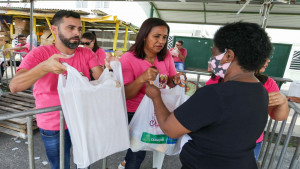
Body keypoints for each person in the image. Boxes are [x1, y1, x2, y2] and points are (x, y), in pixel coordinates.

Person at [145, 22, 273, 169]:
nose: (211, 59)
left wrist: (156, 97)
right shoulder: (259, 90)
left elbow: (170, 129)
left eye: (213, 53)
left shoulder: (216, 94)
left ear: (228, 56)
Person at [9, 10, 108, 169]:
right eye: (71, 28)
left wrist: (110, 70)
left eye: (79, 28)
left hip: (82, 120)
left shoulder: (86, 53)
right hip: (53, 123)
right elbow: (15, 86)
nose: (77, 33)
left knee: (85, 162)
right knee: (59, 165)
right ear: (54, 30)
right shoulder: (40, 53)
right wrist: (44, 67)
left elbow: (101, 79)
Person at [118, 18, 182, 169]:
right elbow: (125, 94)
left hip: (157, 110)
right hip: (135, 112)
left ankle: (124, 163)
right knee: (137, 153)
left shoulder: (165, 56)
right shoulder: (128, 58)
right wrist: (141, 79)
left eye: (165, 37)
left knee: (155, 144)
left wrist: (177, 80)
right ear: (145, 36)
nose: (161, 41)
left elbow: (169, 81)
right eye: (156, 36)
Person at [206, 58, 289, 160]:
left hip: (250, 144)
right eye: (263, 55)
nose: (268, 60)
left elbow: (278, 116)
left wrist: (283, 103)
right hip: (216, 141)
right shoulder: (218, 80)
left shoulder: (267, 83)